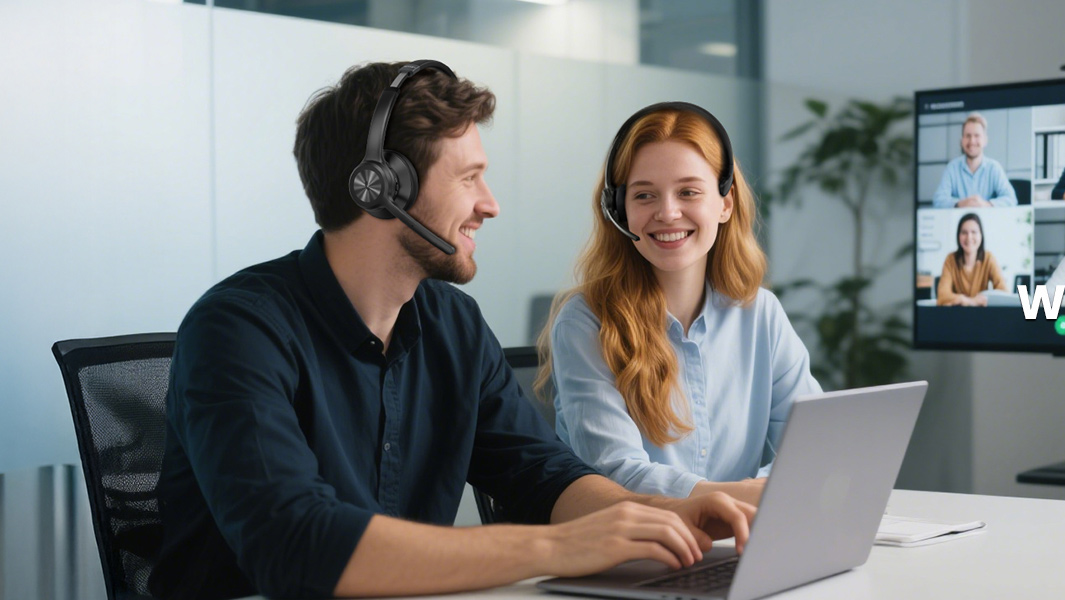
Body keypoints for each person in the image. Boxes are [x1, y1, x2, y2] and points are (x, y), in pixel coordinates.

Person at [150, 62, 753, 600]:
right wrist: (560, 549)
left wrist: (667, 514)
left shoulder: (451, 324)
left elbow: (542, 475)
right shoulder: (237, 330)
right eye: (468, 178)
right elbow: (295, 544)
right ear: (383, 189)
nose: (489, 204)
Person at [543, 103, 822, 508]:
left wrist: (764, 494)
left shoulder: (761, 314)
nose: (668, 213)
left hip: (737, 543)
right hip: (633, 554)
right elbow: (615, 475)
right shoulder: (586, 322)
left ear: (725, 203)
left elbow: (810, 447)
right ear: (617, 210)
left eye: (688, 191)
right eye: (644, 195)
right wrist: (744, 496)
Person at [932, 112, 1019, 207]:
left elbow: (1011, 199)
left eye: (977, 136)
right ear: (962, 141)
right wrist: (961, 204)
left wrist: (986, 204)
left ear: (985, 140)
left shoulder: (994, 168)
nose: (972, 141)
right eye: (968, 136)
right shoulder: (952, 167)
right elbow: (938, 200)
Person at [937, 212, 1007, 306]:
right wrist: (968, 301)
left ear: (981, 236)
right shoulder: (950, 259)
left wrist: (986, 300)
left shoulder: (988, 258)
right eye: (964, 232)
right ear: (958, 236)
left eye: (974, 232)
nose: (969, 237)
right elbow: (942, 296)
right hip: (957, 316)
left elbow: (1004, 292)